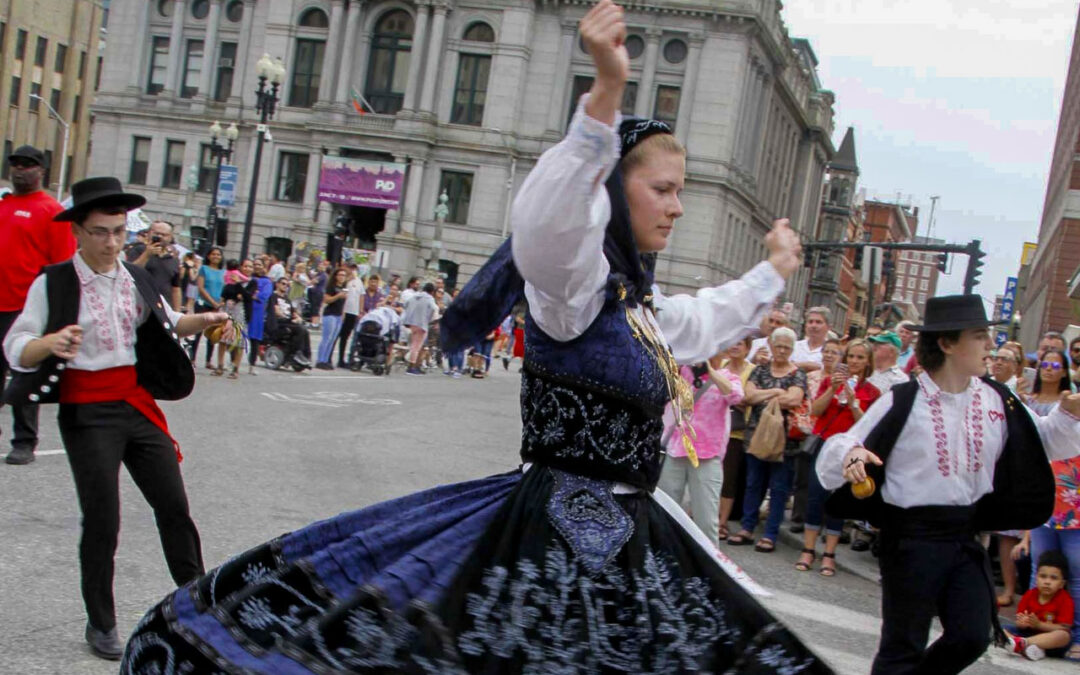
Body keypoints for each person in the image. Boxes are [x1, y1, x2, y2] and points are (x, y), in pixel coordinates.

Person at [121, 4, 827, 671]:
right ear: (610, 190)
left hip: (628, 534)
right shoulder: (572, 290)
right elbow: (548, 221)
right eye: (663, 189)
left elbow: (706, 318)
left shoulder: (638, 309)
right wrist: (604, 98)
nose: (676, 206)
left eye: (681, 192)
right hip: (551, 541)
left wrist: (773, 271)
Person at [2, 177, 230, 660]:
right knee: (103, 518)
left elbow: (169, 322)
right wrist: (48, 343)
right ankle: (101, 622)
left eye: (119, 232)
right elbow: (16, 346)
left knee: (174, 506)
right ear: (78, 232)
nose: (111, 243)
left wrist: (205, 322)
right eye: (101, 232)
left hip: (135, 402)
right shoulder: (55, 281)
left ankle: (198, 603)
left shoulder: (136, 277)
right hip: (87, 411)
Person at [818, 295, 1080, 674]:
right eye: (978, 336)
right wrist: (851, 455)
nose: (989, 346)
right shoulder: (904, 399)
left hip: (963, 535)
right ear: (947, 343)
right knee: (903, 644)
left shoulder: (997, 399)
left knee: (973, 634)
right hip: (910, 537)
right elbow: (845, 441)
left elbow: (1043, 440)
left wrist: (1068, 415)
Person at [0, 144, 74, 465]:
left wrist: (54, 311)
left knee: (23, 373)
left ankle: (24, 441)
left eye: (28, 165)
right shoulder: (3, 204)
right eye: (15, 164)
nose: (20, 170)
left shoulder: (51, 210)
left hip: (25, 306)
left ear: (41, 171)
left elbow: (62, 264)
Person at [797, 338, 880, 577]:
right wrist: (834, 389)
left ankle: (829, 554)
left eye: (859, 358)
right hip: (825, 444)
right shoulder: (829, 381)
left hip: (849, 448)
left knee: (838, 499)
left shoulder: (872, 392)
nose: (854, 361)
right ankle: (808, 549)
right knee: (815, 496)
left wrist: (853, 401)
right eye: (850, 357)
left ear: (867, 362)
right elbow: (815, 411)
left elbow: (867, 424)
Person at [727, 326, 808, 551]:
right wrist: (776, 393)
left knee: (779, 488)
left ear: (792, 350)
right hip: (755, 436)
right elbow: (749, 395)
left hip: (786, 442)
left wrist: (764, 394)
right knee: (753, 484)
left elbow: (794, 400)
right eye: (778, 345)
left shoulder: (798, 374)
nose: (781, 350)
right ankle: (747, 527)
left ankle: (771, 534)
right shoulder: (760, 370)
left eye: (786, 347)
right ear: (771, 346)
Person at [1023, 347, 1080, 659]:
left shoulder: (1073, 403)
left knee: (1076, 572)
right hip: (1044, 496)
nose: (1048, 369)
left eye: (1055, 365)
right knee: (1038, 569)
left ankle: (1077, 636)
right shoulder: (1034, 405)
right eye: (1044, 364)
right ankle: (1031, 632)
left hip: (1075, 504)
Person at [658, 353, 743, 547]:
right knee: (665, 511)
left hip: (707, 455)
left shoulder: (727, 376)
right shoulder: (682, 372)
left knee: (706, 519)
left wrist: (710, 372)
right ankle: (662, 559)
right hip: (676, 450)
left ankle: (710, 569)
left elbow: (736, 396)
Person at [1002, 551, 1074, 661]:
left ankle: (1022, 644)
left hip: (1050, 639)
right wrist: (1022, 623)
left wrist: (1039, 625)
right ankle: (1030, 648)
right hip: (1028, 632)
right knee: (1001, 628)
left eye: (1053, 578)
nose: (1047, 582)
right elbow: (1018, 620)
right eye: (1043, 576)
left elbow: (1063, 627)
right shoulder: (1030, 594)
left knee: (1064, 636)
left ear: (1062, 584)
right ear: (1036, 577)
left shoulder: (1065, 599)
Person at [719, 336, 755, 540]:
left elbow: (745, 398)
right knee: (711, 475)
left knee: (728, 479)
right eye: (732, 341)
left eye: (740, 343)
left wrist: (734, 397)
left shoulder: (752, 370)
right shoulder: (720, 364)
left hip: (736, 431)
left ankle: (723, 522)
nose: (734, 346)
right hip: (714, 429)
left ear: (748, 348)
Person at [126, 220, 182, 311]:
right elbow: (130, 272)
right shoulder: (138, 250)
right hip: (138, 304)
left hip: (162, 307)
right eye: (156, 233)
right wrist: (147, 254)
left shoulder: (174, 259)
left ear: (170, 237)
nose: (160, 237)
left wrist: (177, 312)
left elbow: (176, 288)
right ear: (148, 234)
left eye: (164, 235)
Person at [188, 246, 225, 368]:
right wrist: (212, 302)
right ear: (208, 256)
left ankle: (208, 360)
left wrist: (220, 303)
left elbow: (224, 288)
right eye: (213, 254)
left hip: (217, 305)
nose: (216, 256)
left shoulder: (223, 272)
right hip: (203, 303)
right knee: (198, 331)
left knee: (213, 333)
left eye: (218, 254)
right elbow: (201, 287)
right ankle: (192, 358)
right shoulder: (204, 269)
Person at [266, 277, 311, 368]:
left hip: (287, 322)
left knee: (305, 330)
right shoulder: (273, 296)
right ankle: (293, 355)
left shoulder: (287, 299)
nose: (285, 286)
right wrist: (290, 318)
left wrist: (298, 318)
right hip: (278, 324)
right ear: (277, 284)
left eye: (287, 285)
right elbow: (276, 311)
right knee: (300, 330)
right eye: (283, 283)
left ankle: (305, 355)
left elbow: (293, 312)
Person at [401, 281, 438, 375]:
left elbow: (406, 304)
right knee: (416, 346)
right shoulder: (429, 298)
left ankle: (416, 365)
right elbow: (435, 309)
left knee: (414, 344)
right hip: (422, 323)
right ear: (432, 291)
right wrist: (433, 319)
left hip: (412, 322)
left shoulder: (415, 296)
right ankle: (412, 366)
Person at [314, 267, 348, 369]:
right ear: (336, 276)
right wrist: (338, 296)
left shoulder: (343, 288)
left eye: (344, 275)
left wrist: (343, 314)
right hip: (330, 314)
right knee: (326, 338)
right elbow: (327, 300)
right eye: (340, 275)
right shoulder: (332, 287)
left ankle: (326, 359)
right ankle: (320, 359)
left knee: (332, 339)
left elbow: (343, 304)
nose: (342, 277)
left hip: (338, 315)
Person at [245, 258, 273, 375]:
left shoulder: (267, 281)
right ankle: (232, 362)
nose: (256, 266)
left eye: (259, 264)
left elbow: (265, 294)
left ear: (263, 266)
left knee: (254, 340)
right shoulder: (246, 278)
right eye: (254, 264)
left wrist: (255, 296)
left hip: (257, 311)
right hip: (244, 308)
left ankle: (252, 365)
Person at [337, 265, 363, 368]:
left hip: (353, 312)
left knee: (346, 336)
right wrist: (347, 279)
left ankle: (344, 359)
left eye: (354, 269)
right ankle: (334, 358)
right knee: (338, 335)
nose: (352, 271)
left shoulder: (358, 281)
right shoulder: (344, 280)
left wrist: (360, 311)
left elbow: (361, 295)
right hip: (344, 311)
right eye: (350, 268)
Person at [793, 306, 829, 373]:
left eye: (818, 322)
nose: (813, 326)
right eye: (810, 322)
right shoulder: (794, 346)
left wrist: (798, 365)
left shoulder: (831, 351)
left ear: (828, 327)